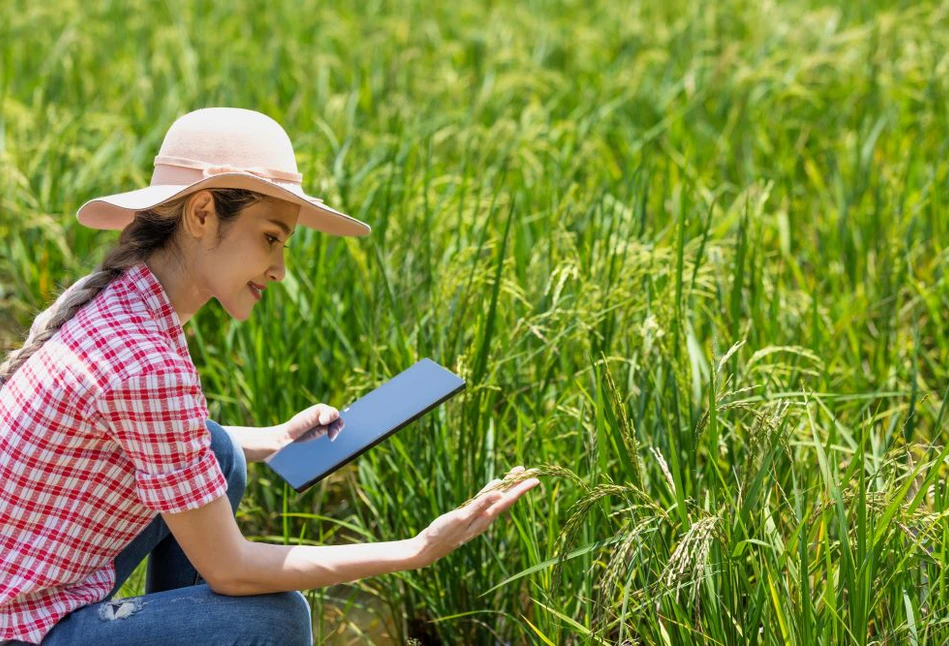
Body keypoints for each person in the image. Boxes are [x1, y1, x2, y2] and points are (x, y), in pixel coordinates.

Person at [0, 107, 540, 645]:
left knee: (219, 452)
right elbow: (229, 569)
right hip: (22, 625)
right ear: (203, 214)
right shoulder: (147, 363)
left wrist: (275, 440)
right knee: (275, 620)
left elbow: (160, 438)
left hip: (34, 582)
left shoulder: (122, 301)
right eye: (270, 238)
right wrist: (414, 550)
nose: (280, 269)